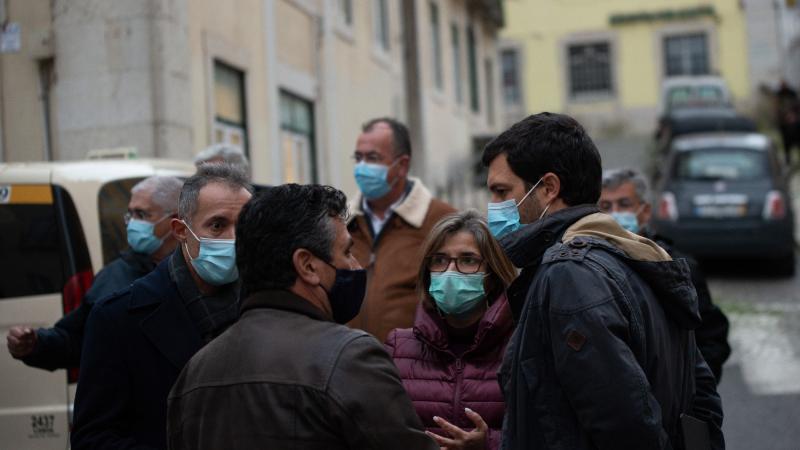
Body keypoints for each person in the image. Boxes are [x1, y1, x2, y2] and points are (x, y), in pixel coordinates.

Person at [483, 113, 724, 449]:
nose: (493, 207)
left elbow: (623, 423)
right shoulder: (631, 253)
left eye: (501, 191)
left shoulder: (570, 274)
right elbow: (702, 395)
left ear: (549, 188)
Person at [167, 184, 437, 450]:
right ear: (307, 265)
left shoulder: (196, 371)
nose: (356, 266)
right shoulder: (350, 358)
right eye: (346, 252)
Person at [70, 164, 252, 450]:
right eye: (217, 225)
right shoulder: (118, 317)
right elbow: (93, 437)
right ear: (180, 230)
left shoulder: (264, 306)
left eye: (243, 227)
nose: (233, 239)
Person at [6, 175, 183, 371]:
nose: (132, 224)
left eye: (141, 215)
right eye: (130, 215)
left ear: (175, 221)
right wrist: (36, 344)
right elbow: (79, 340)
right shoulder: (114, 275)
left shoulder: (198, 274)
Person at [385, 211, 516, 450]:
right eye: (440, 260)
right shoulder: (398, 346)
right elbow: (382, 430)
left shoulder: (519, 344)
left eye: (468, 260)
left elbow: (545, 430)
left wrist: (489, 444)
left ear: (492, 274)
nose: (450, 271)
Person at [600, 167, 732, 383]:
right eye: (605, 206)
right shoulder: (588, 265)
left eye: (624, 204)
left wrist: (692, 392)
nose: (614, 214)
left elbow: (711, 337)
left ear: (644, 211)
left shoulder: (676, 267)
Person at [348, 117, 456, 341]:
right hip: (349, 366)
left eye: (373, 158)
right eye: (358, 158)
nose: (362, 168)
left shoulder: (442, 221)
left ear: (402, 165)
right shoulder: (342, 224)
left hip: (414, 368)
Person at [775, 79, 799, 165]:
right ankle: (788, 160)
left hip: (795, 124)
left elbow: (796, 105)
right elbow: (777, 108)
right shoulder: (779, 95)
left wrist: (793, 116)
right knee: (786, 144)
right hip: (784, 124)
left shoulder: (792, 93)